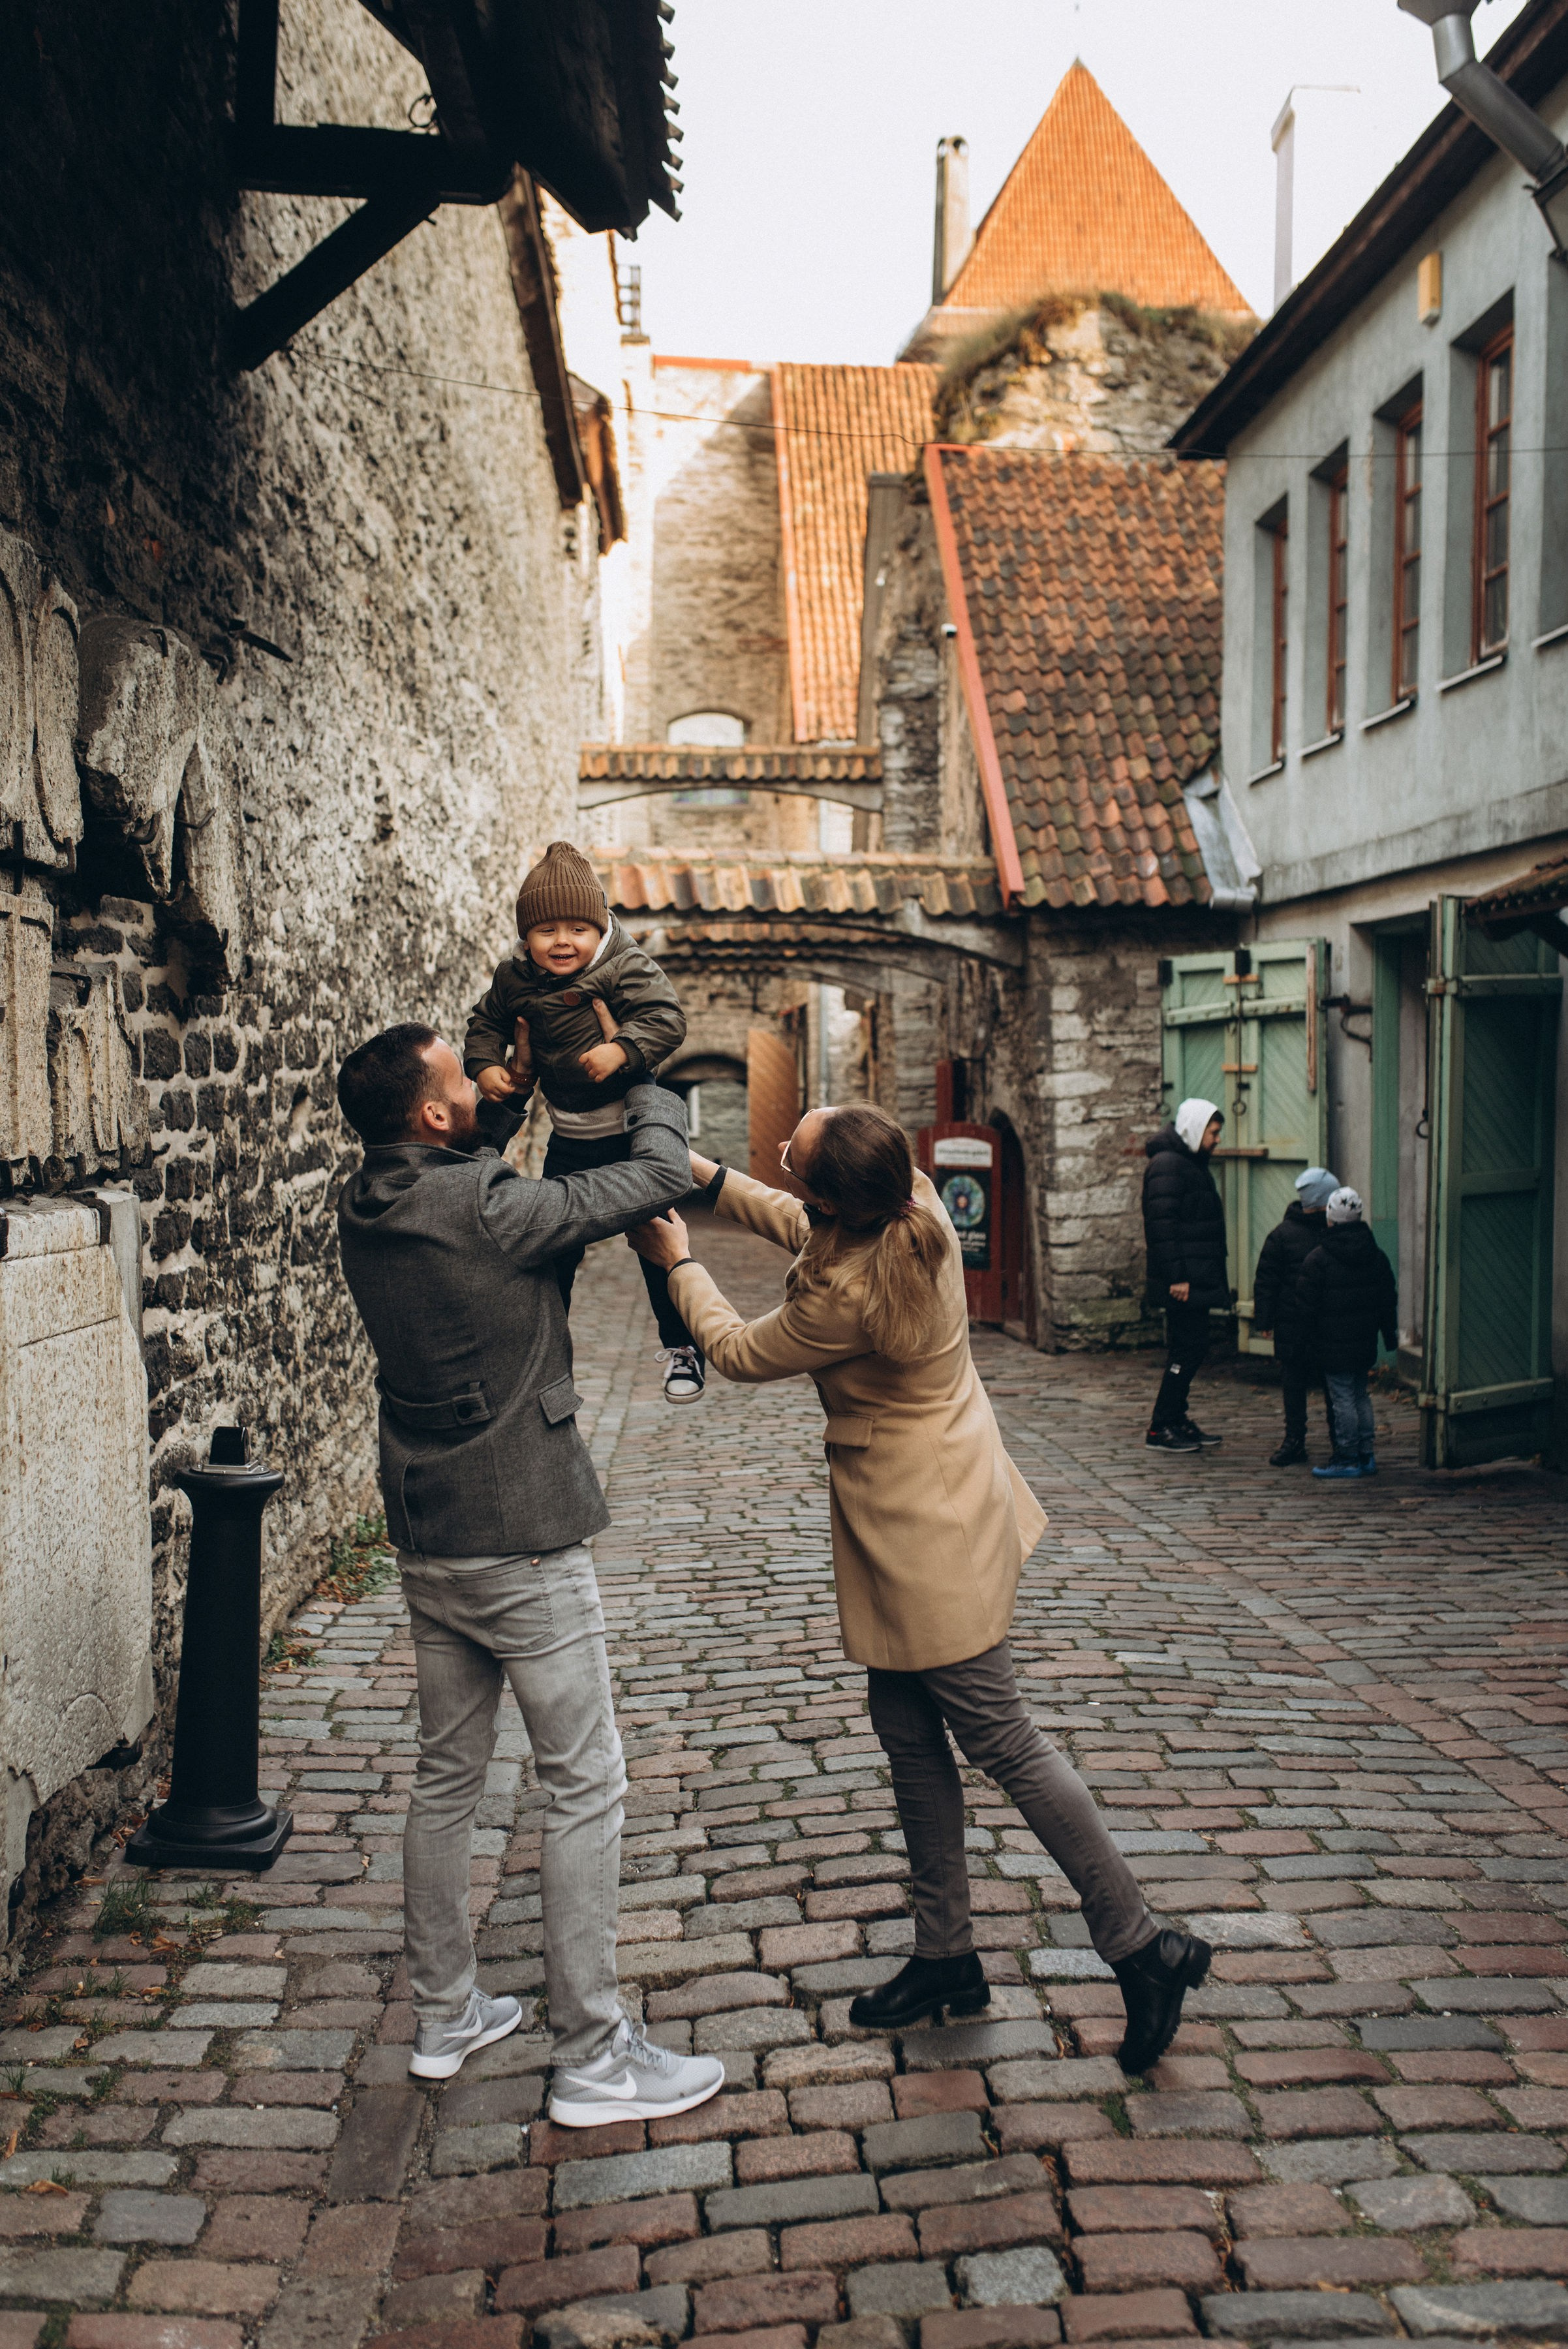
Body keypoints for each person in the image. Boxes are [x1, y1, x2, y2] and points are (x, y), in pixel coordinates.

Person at [628, 1104, 1211, 2076]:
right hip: (941, 1494)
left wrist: (679, 1259)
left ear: (834, 1198)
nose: (781, 1157)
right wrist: (711, 1177)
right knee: (905, 1730)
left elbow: (734, 1351)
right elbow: (798, 1217)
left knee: (1002, 1740)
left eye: (795, 1157)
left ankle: (1141, 1944)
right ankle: (946, 1955)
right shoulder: (916, 1203)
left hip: (919, 1533)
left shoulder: (846, 1298)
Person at [334, 1022, 725, 2124]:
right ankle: (596, 2055)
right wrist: (646, 1081)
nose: (479, 1083)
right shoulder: (491, 1210)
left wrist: (499, 1102)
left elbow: (463, 1158)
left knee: (446, 1777)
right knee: (585, 1783)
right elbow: (651, 1177)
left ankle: (446, 2013)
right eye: (461, 1080)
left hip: (428, 1529)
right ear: (431, 1114)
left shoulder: (369, 1199)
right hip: (519, 1534)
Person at [465, 840, 706, 1406]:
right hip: (569, 1137)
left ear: (600, 930)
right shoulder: (514, 978)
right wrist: (484, 1068)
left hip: (631, 1134)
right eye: (547, 930)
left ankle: (684, 1350)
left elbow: (667, 1019)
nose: (563, 941)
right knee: (553, 1250)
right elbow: (486, 1021)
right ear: (526, 937)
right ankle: (546, 1360)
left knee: (658, 1244)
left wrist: (622, 1049)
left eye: (578, 928)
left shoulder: (624, 966)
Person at [1141, 1097, 1228, 1453]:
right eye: (1213, 1132)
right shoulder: (1167, 1166)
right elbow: (1162, 1227)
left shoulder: (1188, 1163)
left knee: (1193, 1346)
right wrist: (1177, 1276)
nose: (1217, 1139)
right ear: (1195, 1130)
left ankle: (1176, 1419)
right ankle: (1161, 1426)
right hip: (1182, 1281)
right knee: (1186, 1348)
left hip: (1196, 1276)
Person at [1297, 1186, 1398, 1482]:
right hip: (1363, 1341)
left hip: (1333, 1345)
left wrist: (1303, 1344)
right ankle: (1366, 1454)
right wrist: (1389, 1336)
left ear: (1330, 1217)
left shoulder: (1319, 1259)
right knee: (1360, 1396)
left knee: (1342, 1399)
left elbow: (1306, 1307)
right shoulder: (1375, 1255)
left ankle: (1346, 1456)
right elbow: (1387, 1299)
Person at [1253, 1166, 1339, 1467]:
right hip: (1292, 1325)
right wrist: (1264, 1319)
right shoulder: (1283, 1236)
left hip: (1327, 1324)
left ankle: (1340, 1441)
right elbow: (1267, 1280)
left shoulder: (1336, 1232)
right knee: (1293, 1385)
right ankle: (1294, 1440)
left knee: (1333, 1385)